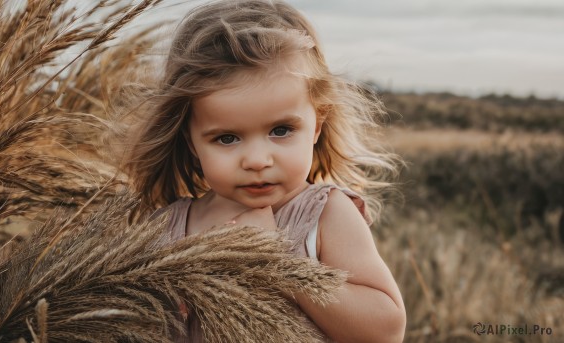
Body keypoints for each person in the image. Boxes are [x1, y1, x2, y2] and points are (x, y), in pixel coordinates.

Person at [123, 0, 406, 342]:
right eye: (227, 138)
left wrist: (277, 263)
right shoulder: (166, 228)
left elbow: (386, 329)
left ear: (317, 123)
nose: (257, 160)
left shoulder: (325, 214)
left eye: (281, 130)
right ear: (192, 140)